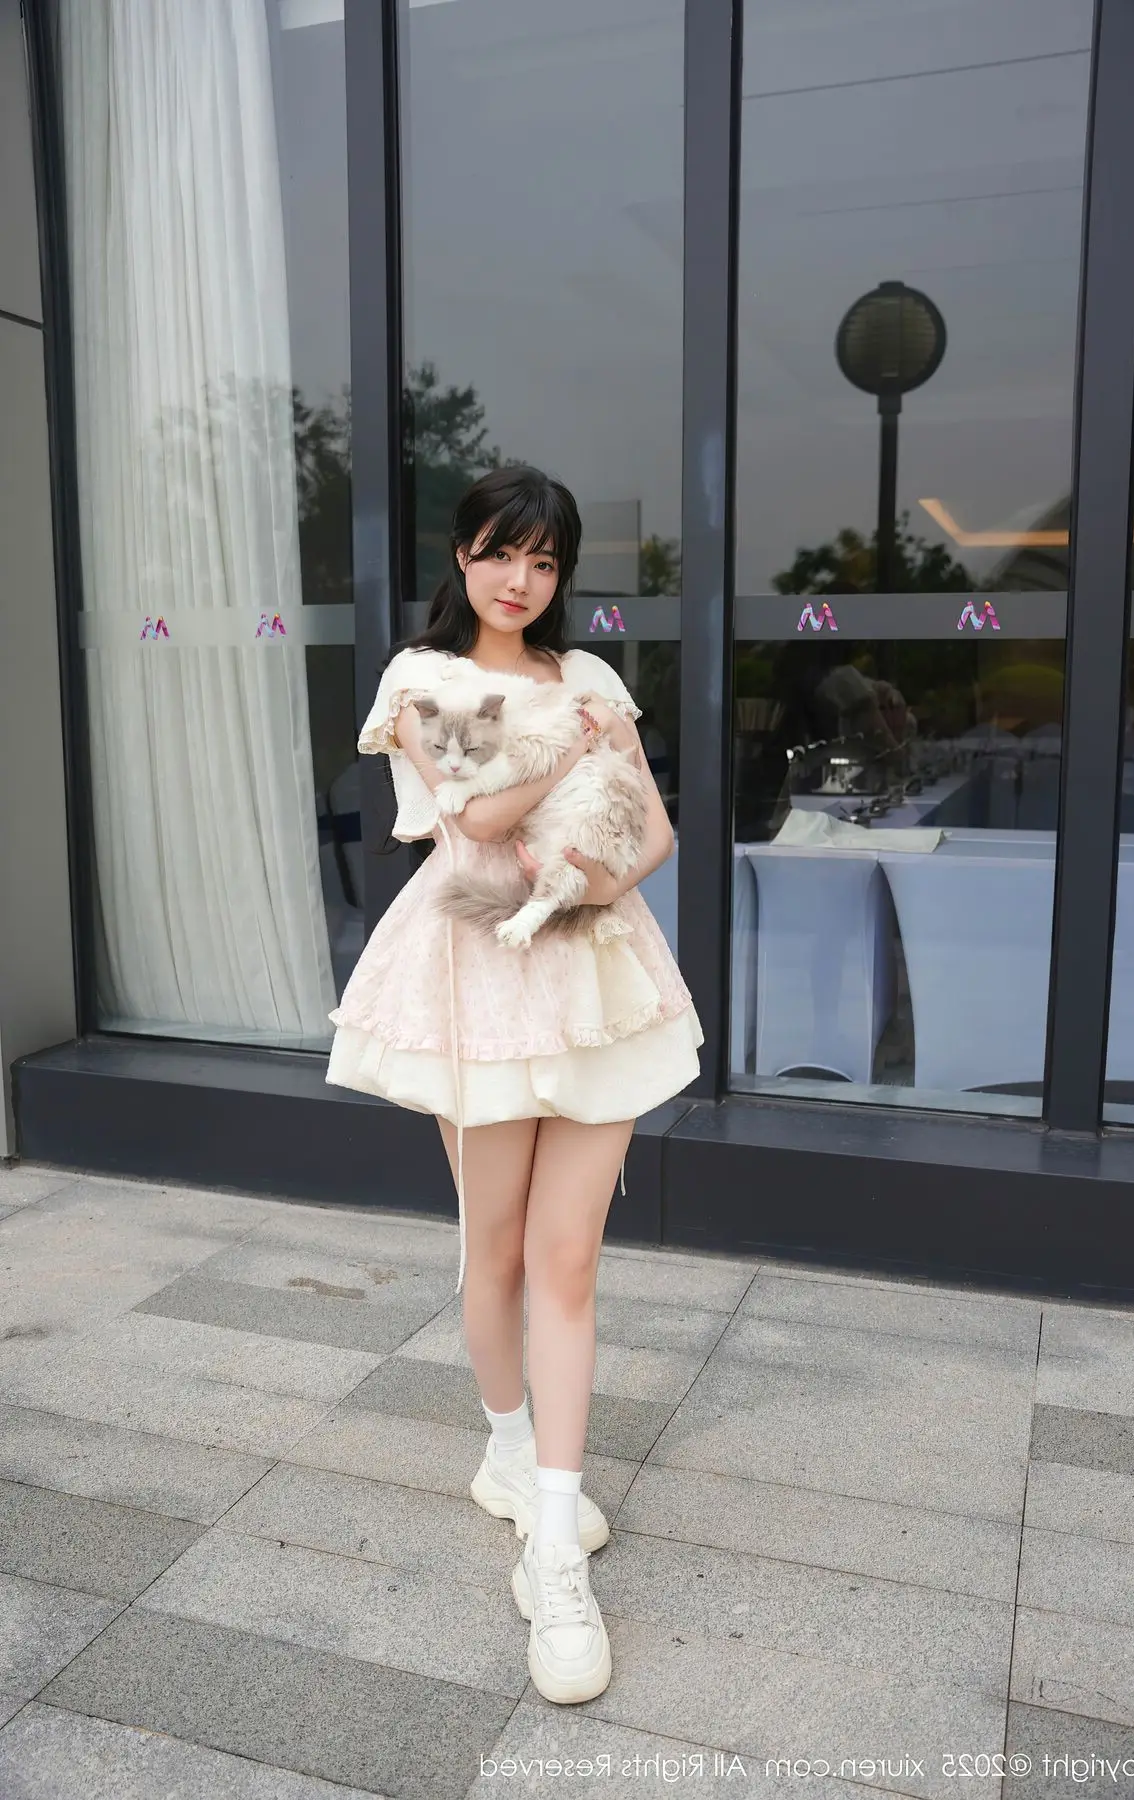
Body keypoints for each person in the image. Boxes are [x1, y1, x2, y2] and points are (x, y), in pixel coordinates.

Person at [325, 465, 703, 1706]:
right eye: (501, 553)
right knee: (492, 1248)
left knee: (569, 1258)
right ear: (463, 554)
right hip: (476, 972)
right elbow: (474, 823)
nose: (520, 580)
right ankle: (505, 1452)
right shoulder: (420, 679)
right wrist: (568, 759)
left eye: (543, 562)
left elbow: (656, 833)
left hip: (591, 968)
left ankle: (554, 1545)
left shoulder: (588, 676)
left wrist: (592, 887)